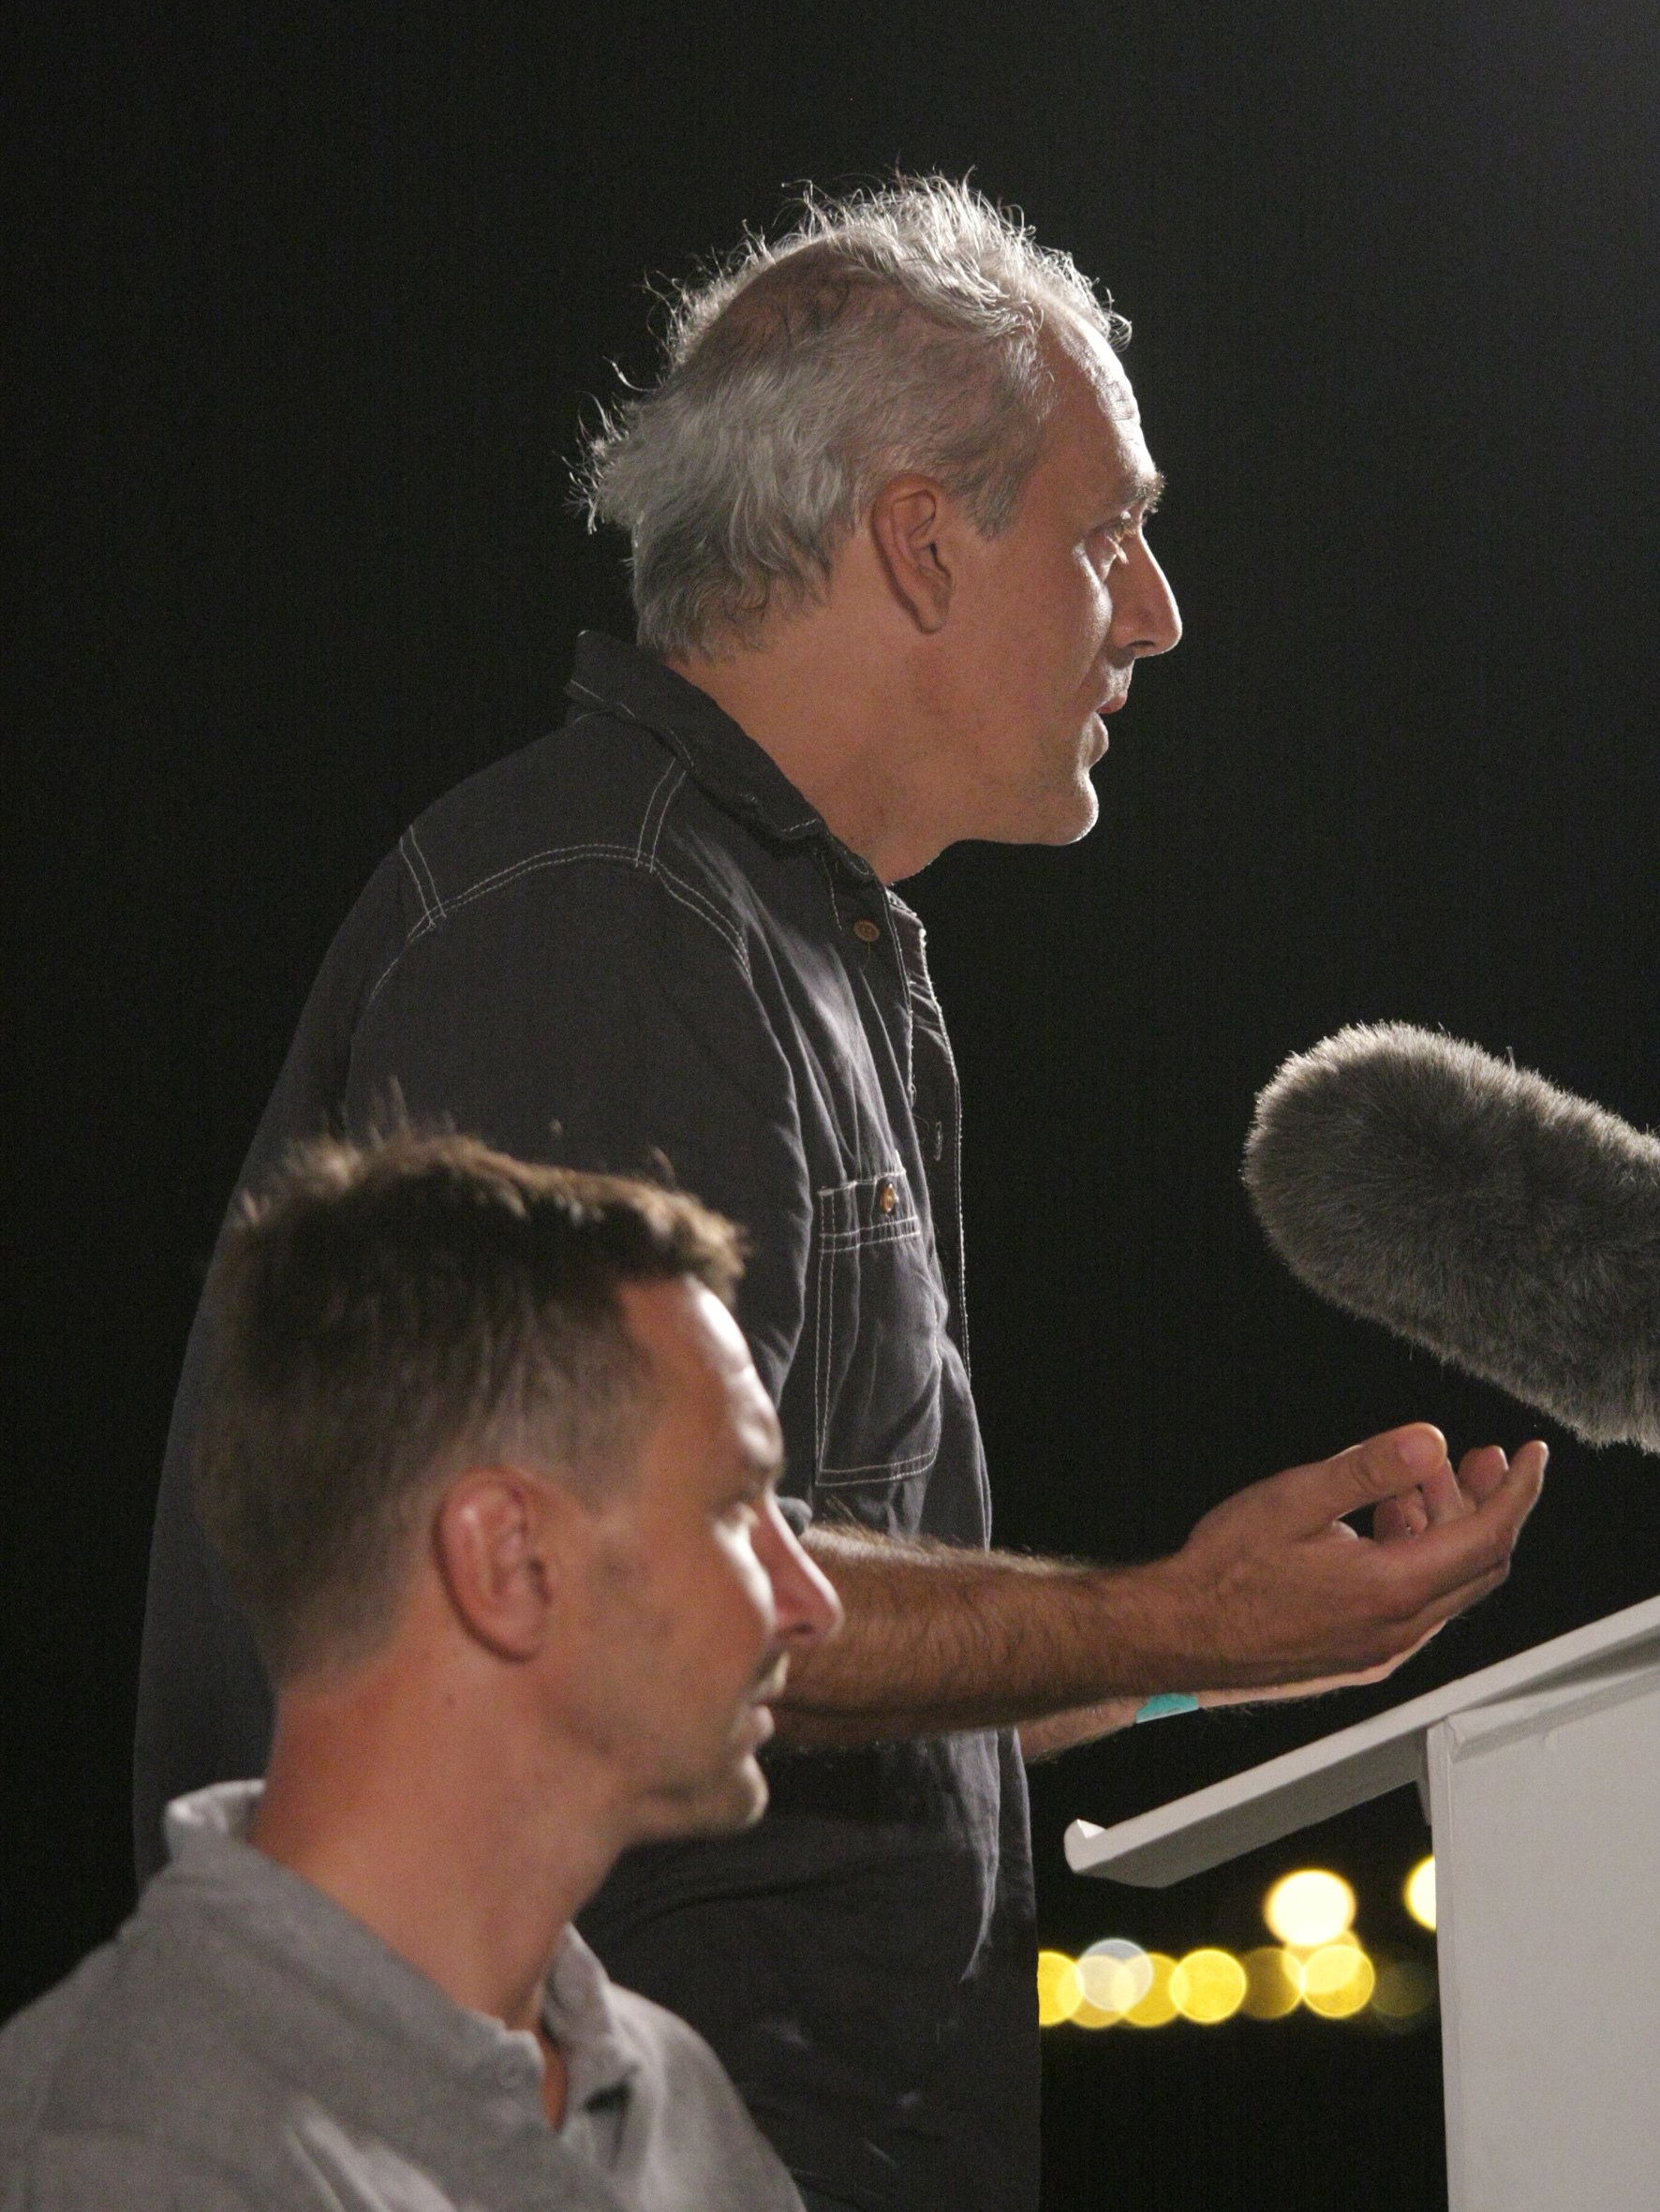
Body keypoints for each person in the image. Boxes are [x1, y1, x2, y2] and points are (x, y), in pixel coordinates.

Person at [135, 179, 1548, 2212]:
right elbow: (612, 1600)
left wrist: (1198, 1647)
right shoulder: (605, 918)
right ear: (917, 540)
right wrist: (1175, 1615)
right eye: (1107, 532)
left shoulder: (771, 928)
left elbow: (775, 1664)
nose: (1154, 610)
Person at [3, 1134, 839, 2209]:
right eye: (734, 1507)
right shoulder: (127, 2158)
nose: (811, 1602)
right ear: (509, 1560)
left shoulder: (673, 2098)